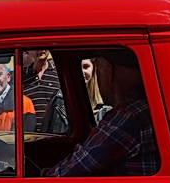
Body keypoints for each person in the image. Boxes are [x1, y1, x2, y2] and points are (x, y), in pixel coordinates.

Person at [51, 48, 160, 176]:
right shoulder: (152, 107)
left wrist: (44, 176)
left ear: (109, 70)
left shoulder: (130, 115)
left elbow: (72, 171)